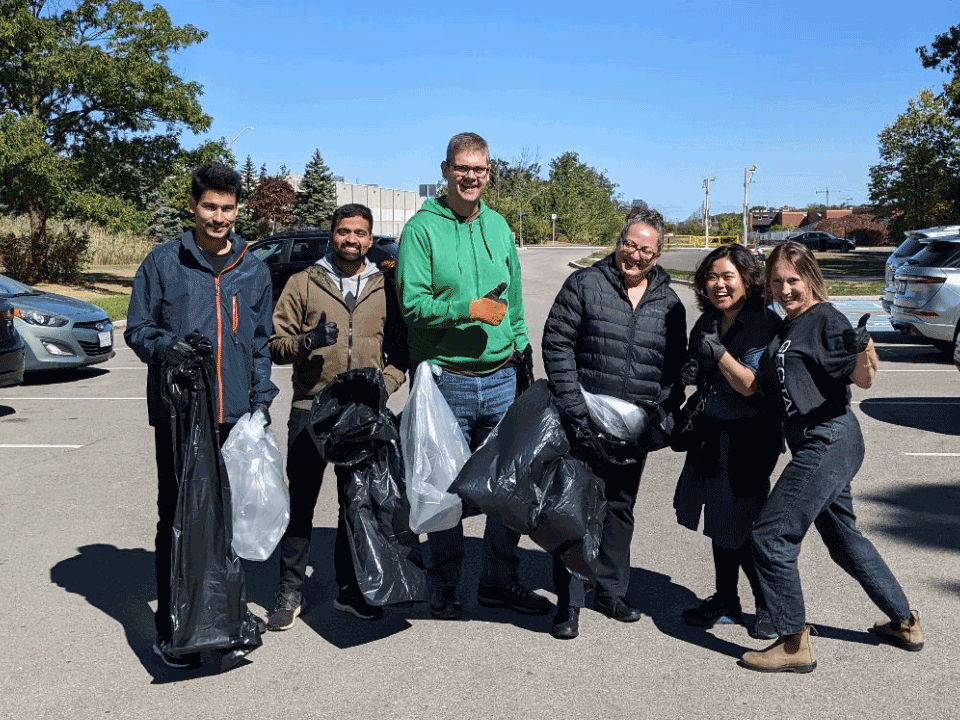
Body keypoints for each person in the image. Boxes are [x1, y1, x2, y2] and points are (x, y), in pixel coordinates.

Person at [740, 241, 924, 673]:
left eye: (793, 280)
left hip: (830, 438)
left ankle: (792, 643)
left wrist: (862, 346)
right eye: (777, 281)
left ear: (809, 277)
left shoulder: (825, 317)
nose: (785, 289)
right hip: (813, 442)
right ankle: (904, 620)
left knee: (771, 536)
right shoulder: (790, 323)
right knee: (844, 540)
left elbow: (862, 380)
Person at [125, 161, 278, 669]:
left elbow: (259, 342)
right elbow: (137, 328)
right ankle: (176, 631)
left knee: (228, 524)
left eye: (228, 208)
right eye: (210, 206)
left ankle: (226, 622)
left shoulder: (253, 269)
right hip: (179, 414)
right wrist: (168, 348)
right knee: (179, 518)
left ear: (238, 210)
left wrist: (261, 400)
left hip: (233, 415)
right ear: (193, 206)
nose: (219, 217)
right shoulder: (164, 262)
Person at [396, 132, 548, 621]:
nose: (470, 177)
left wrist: (524, 355)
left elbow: (517, 305)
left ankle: (498, 579)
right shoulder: (423, 229)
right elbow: (412, 306)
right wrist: (466, 308)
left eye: (479, 169)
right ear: (445, 171)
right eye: (462, 168)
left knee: (508, 483)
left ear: (488, 172)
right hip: (448, 381)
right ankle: (443, 583)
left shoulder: (499, 226)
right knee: (443, 488)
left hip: (502, 377)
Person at [542, 207, 687, 639]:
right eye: (629, 244)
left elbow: (675, 368)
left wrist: (657, 414)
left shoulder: (669, 303)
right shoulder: (585, 284)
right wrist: (575, 410)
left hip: (631, 430)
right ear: (618, 242)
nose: (635, 255)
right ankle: (569, 603)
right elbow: (557, 343)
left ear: (658, 255)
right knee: (573, 510)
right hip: (582, 422)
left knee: (619, 511)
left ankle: (610, 591)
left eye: (645, 249)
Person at [265, 203, 408, 631]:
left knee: (356, 503)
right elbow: (275, 344)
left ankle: (351, 589)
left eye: (360, 233)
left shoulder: (386, 287)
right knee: (302, 503)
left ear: (369, 237)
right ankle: (289, 589)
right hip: (310, 409)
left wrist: (384, 384)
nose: (352, 239)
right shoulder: (303, 283)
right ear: (332, 234)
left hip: (360, 414)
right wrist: (307, 342)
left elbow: (401, 354)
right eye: (344, 231)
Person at [672, 244, 782, 640]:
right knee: (720, 518)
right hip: (712, 431)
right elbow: (695, 369)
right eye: (712, 277)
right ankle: (726, 599)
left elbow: (749, 385)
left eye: (727, 277)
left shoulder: (761, 322)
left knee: (746, 522)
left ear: (747, 280)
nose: (718, 285)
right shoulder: (709, 321)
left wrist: (716, 353)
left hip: (750, 436)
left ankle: (770, 605)